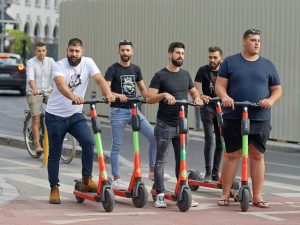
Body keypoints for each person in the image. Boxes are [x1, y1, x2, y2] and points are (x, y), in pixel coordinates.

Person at [215, 29, 282, 208]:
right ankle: (224, 194)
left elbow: (277, 89)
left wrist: (270, 100)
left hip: (260, 117)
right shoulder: (230, 62)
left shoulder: (268, 65)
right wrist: (225, 97)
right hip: (234, 115)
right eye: (252, 40)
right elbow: (219, 86)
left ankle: (257, 196)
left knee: (257, 155)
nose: (257, 43)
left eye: (258, 40)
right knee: (231, 154)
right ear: (244, 42)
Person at [45, 38, 115, 204]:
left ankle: (86, 179)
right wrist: (73, 97)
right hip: (55, 116)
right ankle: (54, 188)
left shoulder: (88, 63)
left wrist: (108, 93)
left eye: (77, 51)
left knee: (89, 142)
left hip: (75, 115)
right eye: (71, 51)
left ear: (82, 52)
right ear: (66, 51)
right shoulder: (59, 65)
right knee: (55, 153)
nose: (74, 54)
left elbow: (99, 79)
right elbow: (62, 86)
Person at [105, 40, 170, 190]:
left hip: (134, 110)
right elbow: (106, 91)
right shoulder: (112, 69)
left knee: (154, 136)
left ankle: (153, 171)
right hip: (118, 111)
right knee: (117, 145)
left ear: (132, 52)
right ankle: (116, 178)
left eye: (128, 50)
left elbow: (144, 92)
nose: (125, 53)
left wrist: (159, 94)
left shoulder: (136, 69)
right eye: (123, 50)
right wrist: (117, 95)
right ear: (119, 51)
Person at [146, 41, 203, 208]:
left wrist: (197, 99)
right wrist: (164, 94)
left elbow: (193, 92)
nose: (180, 56)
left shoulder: (185, 75)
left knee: (182, 161)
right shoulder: (160, 75)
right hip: (165, 125)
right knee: (161, 161)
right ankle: (160, 195)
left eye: (183, 54)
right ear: (170, 55)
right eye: (177, 53)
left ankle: (183, 191)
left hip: (182, 125)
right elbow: (149, 98)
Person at [194, 47, 224, 181]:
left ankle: (215, 172)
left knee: (220, 140)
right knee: (209, 139)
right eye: (210, 57)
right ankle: (207, 171)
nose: (212, 60)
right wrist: (201, 95)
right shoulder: (203, 70)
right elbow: (194, 89)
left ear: (221, 59)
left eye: (215, 57)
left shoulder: (225, 71)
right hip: (207, 107)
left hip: (221, 108)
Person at [26, 42, 55, 153]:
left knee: (58, 111)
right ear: (35, 51)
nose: (41, 53)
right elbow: (31, 78)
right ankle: (37, 144)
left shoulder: (51, 61)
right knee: (36, 117)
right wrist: (34, 89)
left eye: (43, 50)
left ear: (46, 51)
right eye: (39, 51)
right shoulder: (30, 63)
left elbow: (57, 74)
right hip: (34, 92)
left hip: (47, 91)